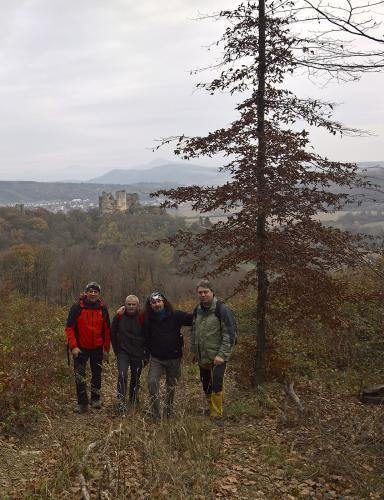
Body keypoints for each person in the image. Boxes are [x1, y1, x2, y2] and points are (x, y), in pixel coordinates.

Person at [191, 279, 236, 422]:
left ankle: (217, 414)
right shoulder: (197, 310)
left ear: (212, 292)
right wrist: (194, 351)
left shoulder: (222, 309)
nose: (203, 295)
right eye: (200, 292)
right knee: (206, 383)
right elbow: (194, 332)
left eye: (206, 292)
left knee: (217, 382)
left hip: (218, 356)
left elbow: (230, 334)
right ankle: (211, 408)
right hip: (202, 355)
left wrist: (222, 355)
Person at [144, 291, 192, 422]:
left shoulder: (175, 315)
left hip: (174, 358)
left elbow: (193, 319)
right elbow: (145, 336)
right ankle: (156, 414)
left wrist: (205, 308)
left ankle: (168, 412)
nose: (156, 304)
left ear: (164, 302)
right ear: (150, 305)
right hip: (156, 359)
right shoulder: (148, 319)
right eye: (153, 302)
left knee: (171, 387)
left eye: (158, 301)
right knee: (152, 382)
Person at [65, 282, 111, 414]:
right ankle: (82, 403)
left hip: (97, 347)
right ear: (85, 293)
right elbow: (69, 328)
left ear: (99, 294)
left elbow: (107, 330)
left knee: (97, 374)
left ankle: (95, 399)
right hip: (80, 348)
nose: (92, 294)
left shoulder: (103, 308)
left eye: (95, 292)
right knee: (79, 375)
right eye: (90, 291)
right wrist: (73, 346)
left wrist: (106, 349)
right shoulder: (77, 307)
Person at [111, 295, 145, 412]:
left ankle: (133, 399)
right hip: (123, 353)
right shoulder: (119, 316)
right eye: (129, 304)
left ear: (137, 305)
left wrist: (146, 354)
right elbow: (112, 332)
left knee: (135, 378)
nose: (131, 306)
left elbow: (148, 335)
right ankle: (121, 402)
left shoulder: (142, 317)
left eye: (133, 304)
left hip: (138, 353)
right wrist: (117, 350)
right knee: (122, 375)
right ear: (125, 304)